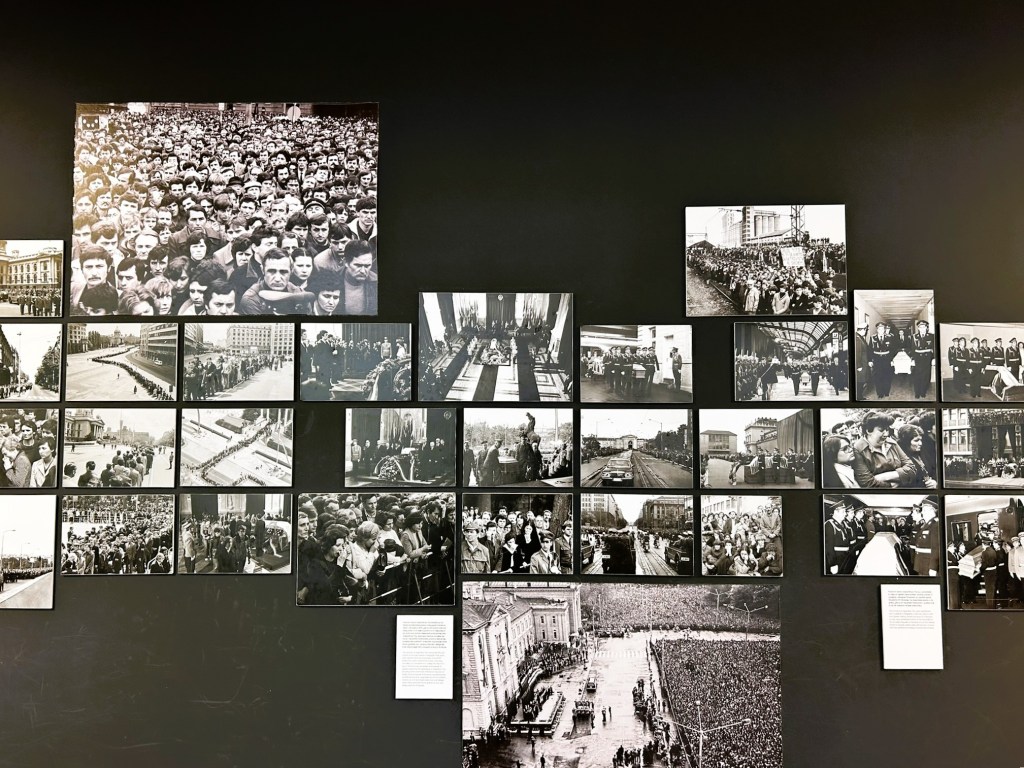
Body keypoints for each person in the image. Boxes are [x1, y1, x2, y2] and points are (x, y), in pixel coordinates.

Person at [851, 411, 916, 488]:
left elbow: (912, 468)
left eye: (887, 429)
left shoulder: (891, 442)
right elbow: (867, 483)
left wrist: (884, 477)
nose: (886, 434)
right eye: (881, 430)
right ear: (868, 431)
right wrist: (892, 484)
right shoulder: (858, 449)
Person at [896, 424, 937, 489]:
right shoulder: (898, 457)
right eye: (916, 440)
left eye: (920, 440)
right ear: (906, 442)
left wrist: (934, 482)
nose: (920, 443)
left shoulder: (923, 452)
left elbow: (934, 469)